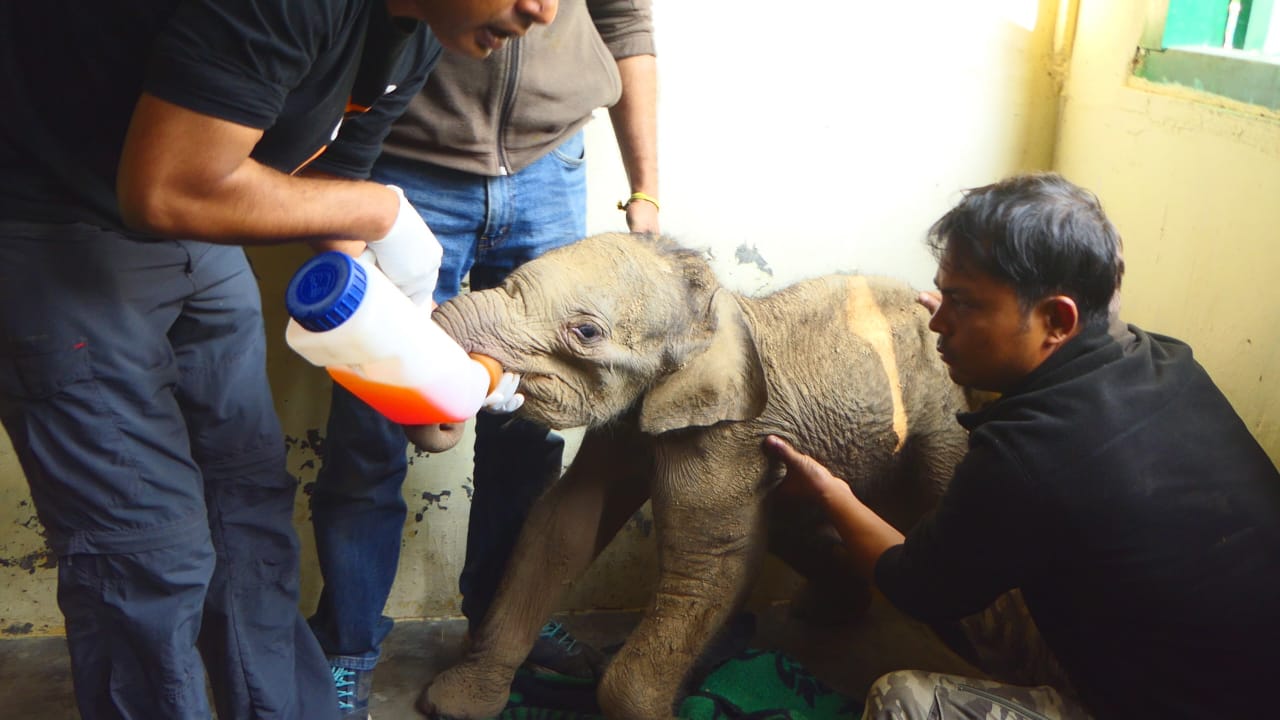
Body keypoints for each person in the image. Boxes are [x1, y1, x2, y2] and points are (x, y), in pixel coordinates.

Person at [0, 1, 556, 718]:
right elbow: (168, 188)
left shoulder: (411, 36)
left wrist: (417, 372)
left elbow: (328, 211)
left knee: (252, 516)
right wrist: (380, 211)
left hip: (188, 217)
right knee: (145, 556)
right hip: (51, 221)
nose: (541, 9)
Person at [765, 172, 1280, 719]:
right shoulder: (1166, 361)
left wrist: (830, 491)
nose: (936, 322)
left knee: (903, 701)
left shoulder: (1025, 456)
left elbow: (914, 586)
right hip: (1242, 672)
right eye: (942, 295)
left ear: (1056, 318)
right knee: (986, 565)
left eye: (962, 304)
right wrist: (981, 333)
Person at [306, 0, 658, 714]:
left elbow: (625, 22)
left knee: (531, 426)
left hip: (550, 167)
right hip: (406, 168)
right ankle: (345, 646)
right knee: (370, 424)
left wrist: (645, 190)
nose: (539, 11)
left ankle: (505, 629)